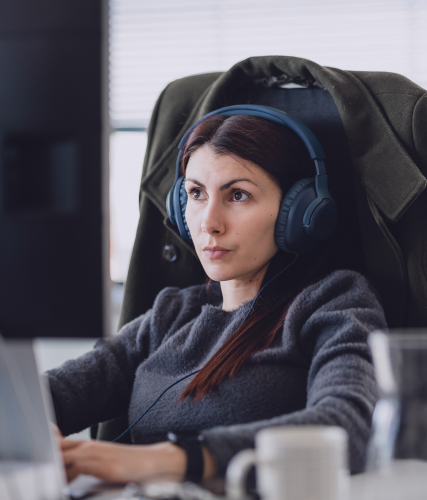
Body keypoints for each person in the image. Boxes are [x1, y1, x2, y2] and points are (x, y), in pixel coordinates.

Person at [47, 111, 387, 485]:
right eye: (196, 193)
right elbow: (56, 394)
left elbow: (347, 428)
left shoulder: (334, 302)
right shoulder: (171, 314)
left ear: (300, 213)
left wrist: (169, 459)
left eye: (237, 195)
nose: (208, 222)